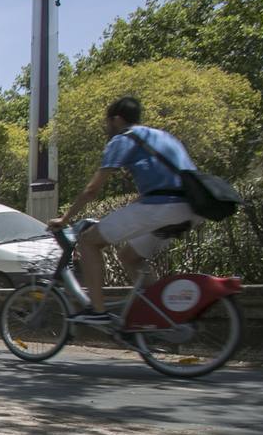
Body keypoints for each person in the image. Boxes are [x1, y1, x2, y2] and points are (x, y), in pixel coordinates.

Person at [47, 96, 200, 324]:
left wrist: (65, 218)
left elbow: (92, 190)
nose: (106, 128)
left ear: (116, 120)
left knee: (88, 242)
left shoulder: (123, 140)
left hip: (162, 207)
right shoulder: (164, 136)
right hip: (190, 208)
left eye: (107, 122)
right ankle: (162, 317)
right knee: (130, 257)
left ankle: (97, 311)